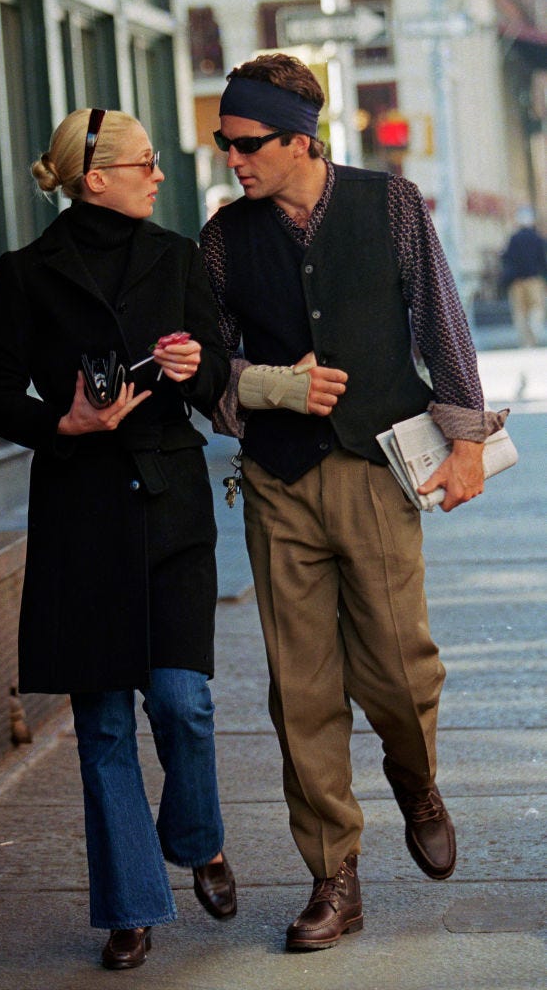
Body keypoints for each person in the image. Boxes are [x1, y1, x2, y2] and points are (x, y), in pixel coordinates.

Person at [200, 54, 509, 951]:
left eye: (247, 144)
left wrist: (466, 445)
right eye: (225, 144)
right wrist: (265, 387)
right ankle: (332, 876)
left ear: (300, 140)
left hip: (378, 468)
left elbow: (441, 324)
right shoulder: (224, 237)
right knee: (301, 693)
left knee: (401, 675)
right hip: (279, 482)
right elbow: (213, 371)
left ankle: (415, 781)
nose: (233, 160)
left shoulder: (392, 205)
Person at [0, 108, 237, 970]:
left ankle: (198, 838)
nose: (159, 174)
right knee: (103, 728)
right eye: (146, 163)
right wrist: (68, 419)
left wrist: (196, 365)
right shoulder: (26, 274)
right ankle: (130, 907)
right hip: (81, 516)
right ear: (96, 179)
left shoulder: (175, 255)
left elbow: (213, 365)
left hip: (167, 503)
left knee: (182, 703)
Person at [501, 206, 546, 348]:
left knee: (520, 312)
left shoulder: (514, 239)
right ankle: (535, 329)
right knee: (536, 308)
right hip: (534, 279)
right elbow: (543, 260)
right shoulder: (538, 239)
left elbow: (507, 259)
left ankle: (526, 342)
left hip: (517, 281)